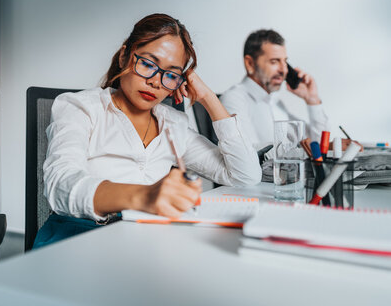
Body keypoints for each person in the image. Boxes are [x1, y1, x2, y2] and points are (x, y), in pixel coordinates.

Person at [34, 14, 261, 249]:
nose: (155, 81)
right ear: (124, 56)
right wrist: (144, 196)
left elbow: (245, 176)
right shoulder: (81, 107)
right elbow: (60, 185)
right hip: (77, 239)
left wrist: (208, 97)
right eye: (148, 64)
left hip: (144, 240)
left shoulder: (174, 124)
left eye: (171, 75)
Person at [220, 29, 328, 150]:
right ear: (250, 63)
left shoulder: (276, 104)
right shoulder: (234, 99)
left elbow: (317, 147)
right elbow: (250, 153)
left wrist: (312, 100)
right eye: (274, 61)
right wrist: (302, 150)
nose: (284, 70)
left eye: (285, 62)